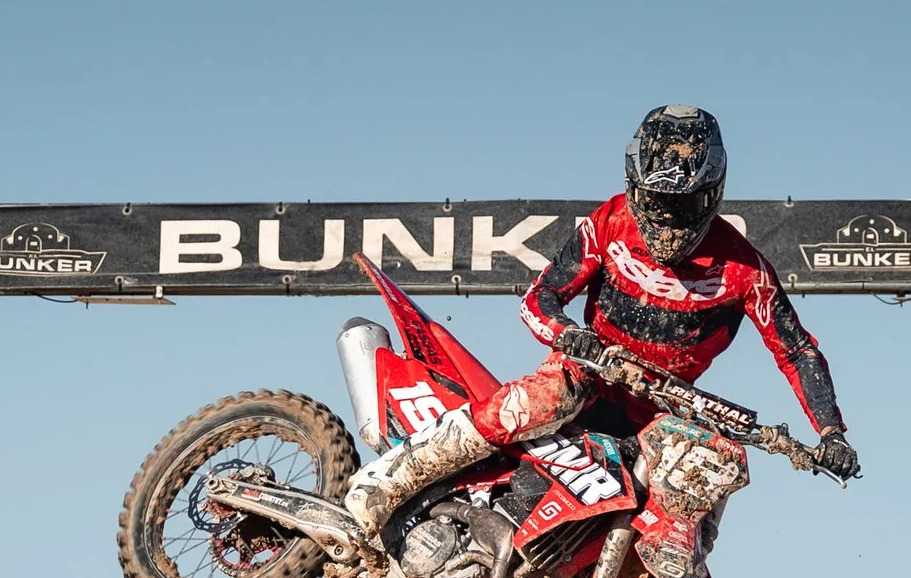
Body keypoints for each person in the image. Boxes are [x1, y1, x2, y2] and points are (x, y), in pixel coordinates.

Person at [344, 105, 859, 538]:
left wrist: (831, 432)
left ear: (711, 193)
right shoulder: (608, 224)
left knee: (708, 475)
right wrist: (573, 337)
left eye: (681, 204)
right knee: (545, 397)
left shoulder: (746, 270)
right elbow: (539, 299)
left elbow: (797, 351)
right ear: (635, 186)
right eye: (655, 201)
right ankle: (388, 480)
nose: (666, 219)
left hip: (659, 409)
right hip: (589, 375)